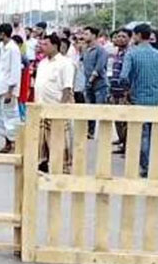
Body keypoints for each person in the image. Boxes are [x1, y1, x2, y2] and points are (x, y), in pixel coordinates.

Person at [120, 24, 158, 176]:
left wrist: (127, 91)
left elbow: (123, 77)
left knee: (143, 134)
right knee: (156, 133)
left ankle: (146, 166)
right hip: (156, 98)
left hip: (138, 98)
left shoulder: (131, 54)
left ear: (139, 35)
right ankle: (156, 165)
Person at [34, 34, 75, 171]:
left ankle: (64, 167)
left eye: (46, 44)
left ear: (55, 45)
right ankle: (42, 163)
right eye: (42, 44)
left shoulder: (65, 63)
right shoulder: (42, 63)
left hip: (56, 106)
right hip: (41, 106)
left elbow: (67, 88)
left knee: (59, 140)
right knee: (41, 139)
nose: (42, 47)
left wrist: (61, 109)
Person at [0, 23, 22, 154]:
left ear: (3, 34)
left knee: (11, 119)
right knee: (2, 118)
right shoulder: (2, 47)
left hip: (8, 90)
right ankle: (7, 144)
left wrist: (10, 91)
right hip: (0, 87)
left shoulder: (13, 49)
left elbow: (15, 71)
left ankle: (16, 144)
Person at [82, 26, 109, 138]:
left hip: (99, 84)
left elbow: (99, 67)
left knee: (101, 109)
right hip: (88, 83)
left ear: (94, 35)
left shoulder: (100, 50)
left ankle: (104, 133)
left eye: (87, 34)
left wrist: (91, 79)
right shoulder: (86, 49)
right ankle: (90, 131)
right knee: (89, 108)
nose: (84, 36)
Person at [110, 28, 132, 154]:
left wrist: (127, 91)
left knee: (124, 120)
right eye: (118, 36)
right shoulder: (117, 53)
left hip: (124, 92)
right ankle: (122, 142)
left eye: (123, 36)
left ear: (129, 38)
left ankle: (127, 146)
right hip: (114, 91)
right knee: (117, 119)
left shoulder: (130, 54)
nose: (120, 39)